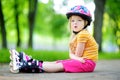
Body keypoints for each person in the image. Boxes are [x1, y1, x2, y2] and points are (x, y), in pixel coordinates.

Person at [9, 5, 98, 73]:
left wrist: (73, 57)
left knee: (61, 65)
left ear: (85, 22)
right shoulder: (75, 37)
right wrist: (72, 56)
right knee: (58, 62)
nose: (75, 23)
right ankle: (31, 62)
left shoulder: (83, 35)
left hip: (87, 63)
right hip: (83, 62)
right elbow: (72, 55)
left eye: (79, 20)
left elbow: (77, 56)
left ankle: (29, 65)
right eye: (72, 20)